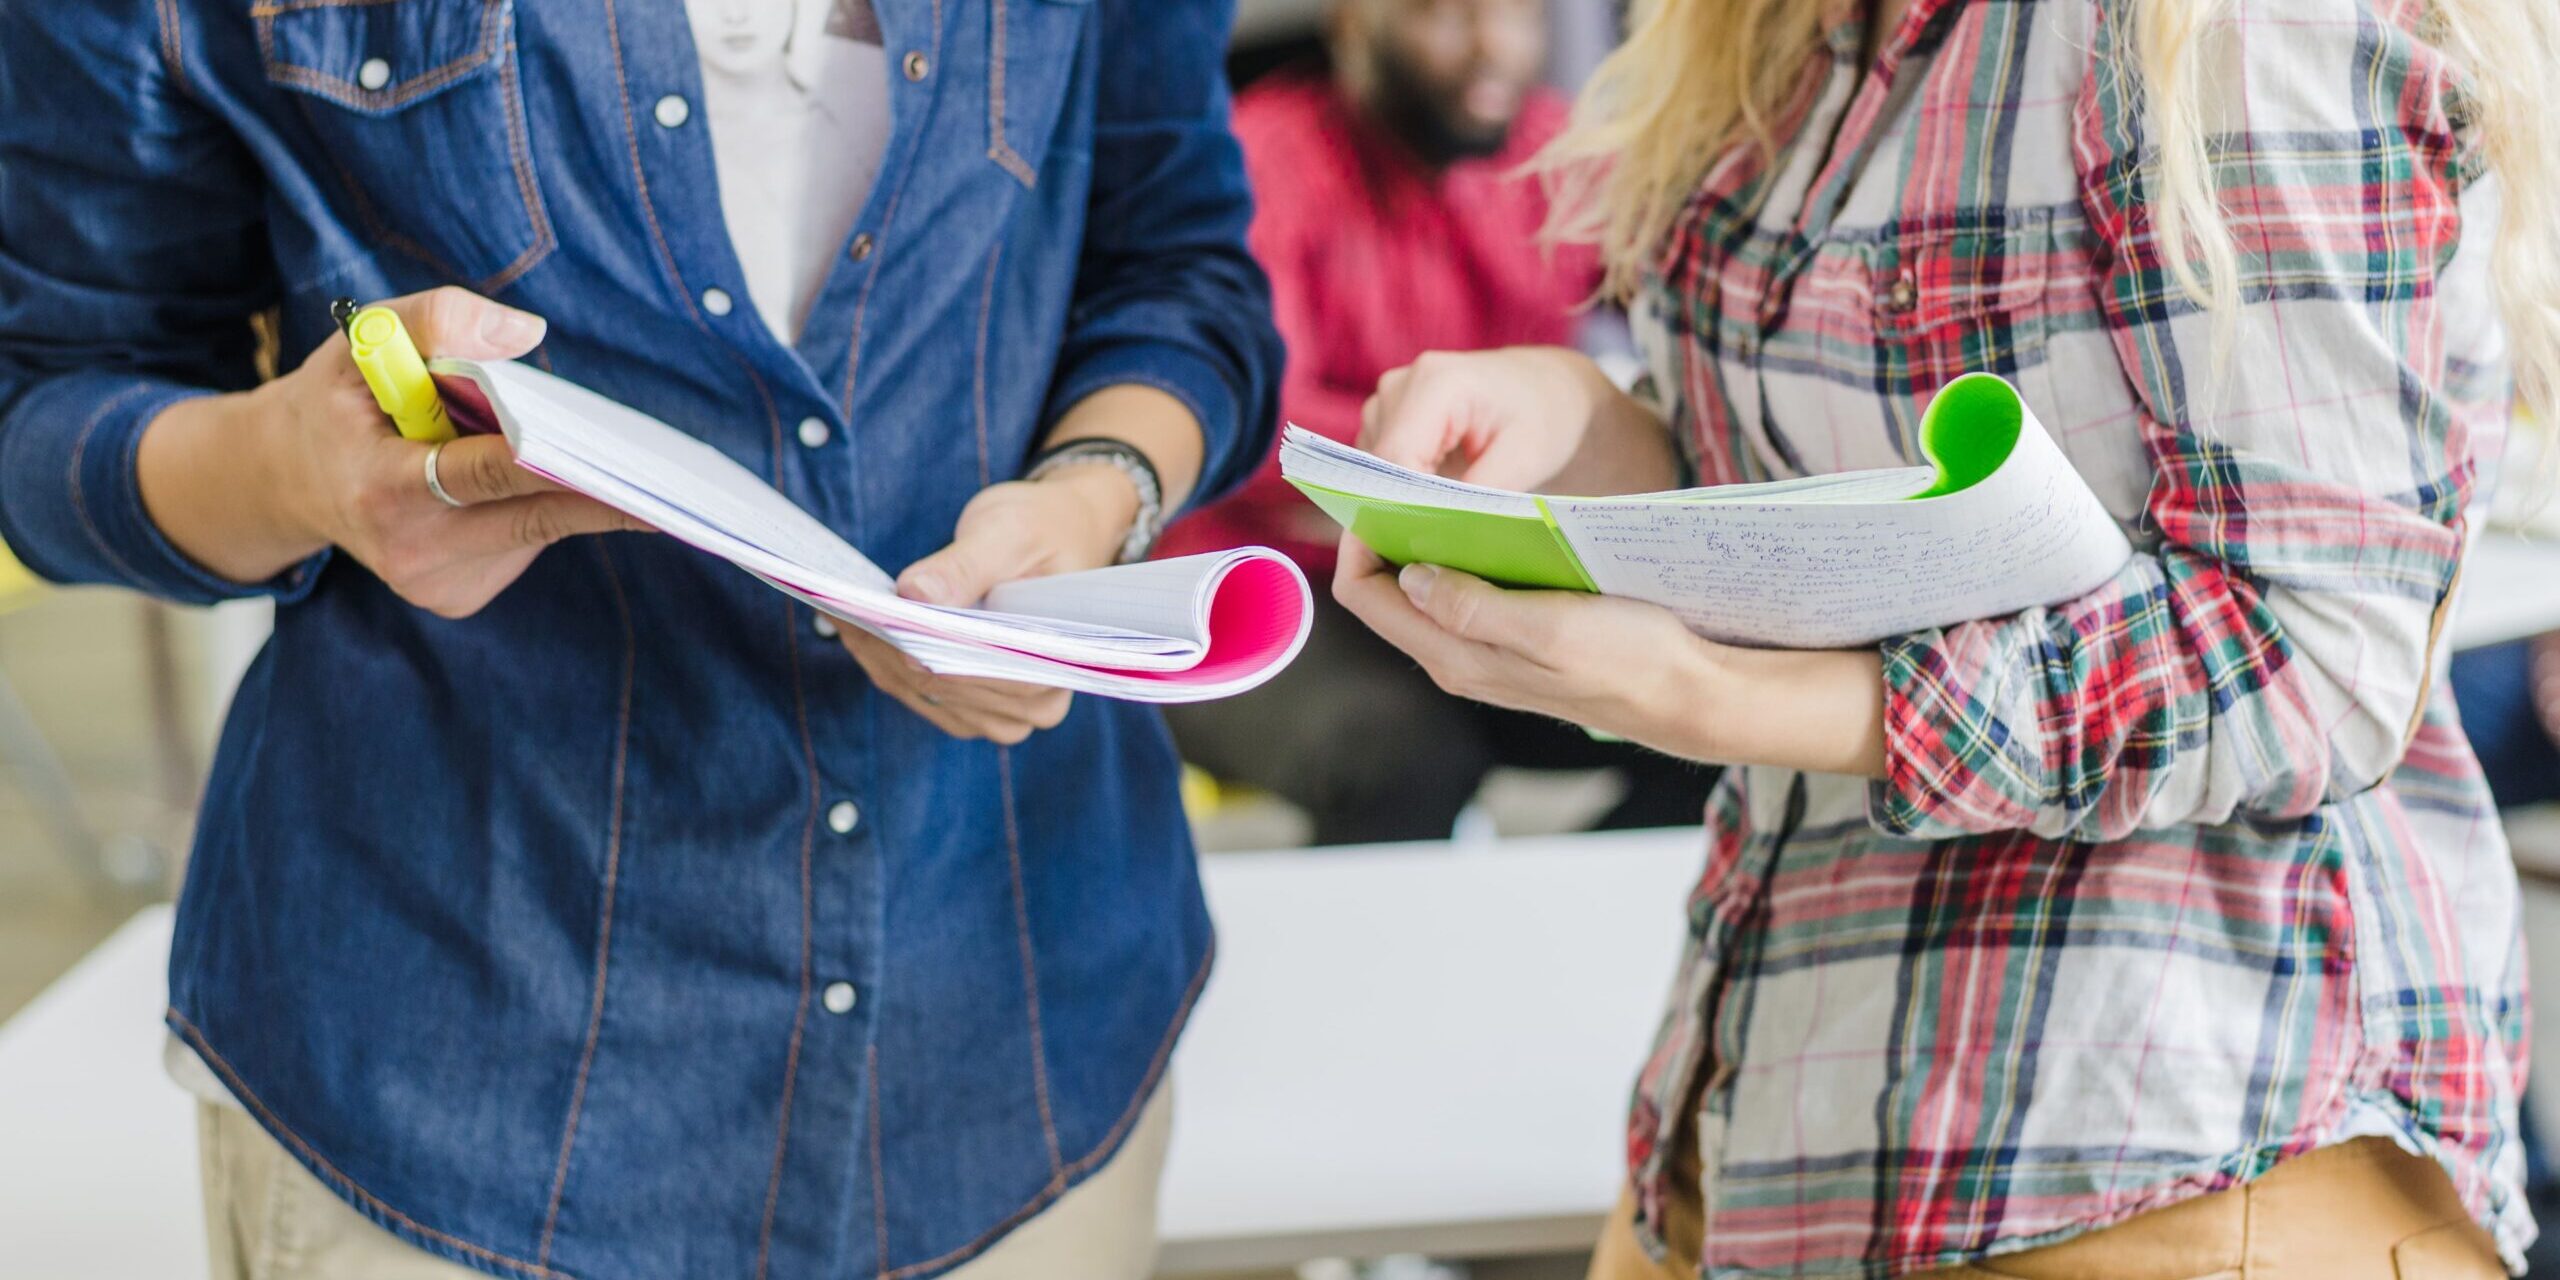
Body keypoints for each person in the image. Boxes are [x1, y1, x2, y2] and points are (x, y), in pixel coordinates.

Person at [0, 2, 1279, 1278]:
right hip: (456, 1062)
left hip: (1011, 1022)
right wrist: (297, 471)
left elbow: (1175, 259)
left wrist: (1096, 492)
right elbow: (57, 406)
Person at [1330, 0, 2559, 1274]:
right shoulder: (1775, 32)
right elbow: (1802, 476)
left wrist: (1726, 696)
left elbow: (2311, 647)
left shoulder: (2224, 25)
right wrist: (1579, 420)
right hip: (1772, 1120)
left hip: (2175, 1137)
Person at [1160, 0, 1714, 845]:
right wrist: (1462, 448)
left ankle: (1556, 941)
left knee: (1703, 728)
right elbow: (1244, 425)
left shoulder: (1554, 153)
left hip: (1467, 574)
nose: (1496, 46)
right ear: (1351, 26)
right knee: (1399, 762)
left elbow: (1683, 317)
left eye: (1521, 15)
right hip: (1269, 582)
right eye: (1444, 14)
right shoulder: (1261, 158)